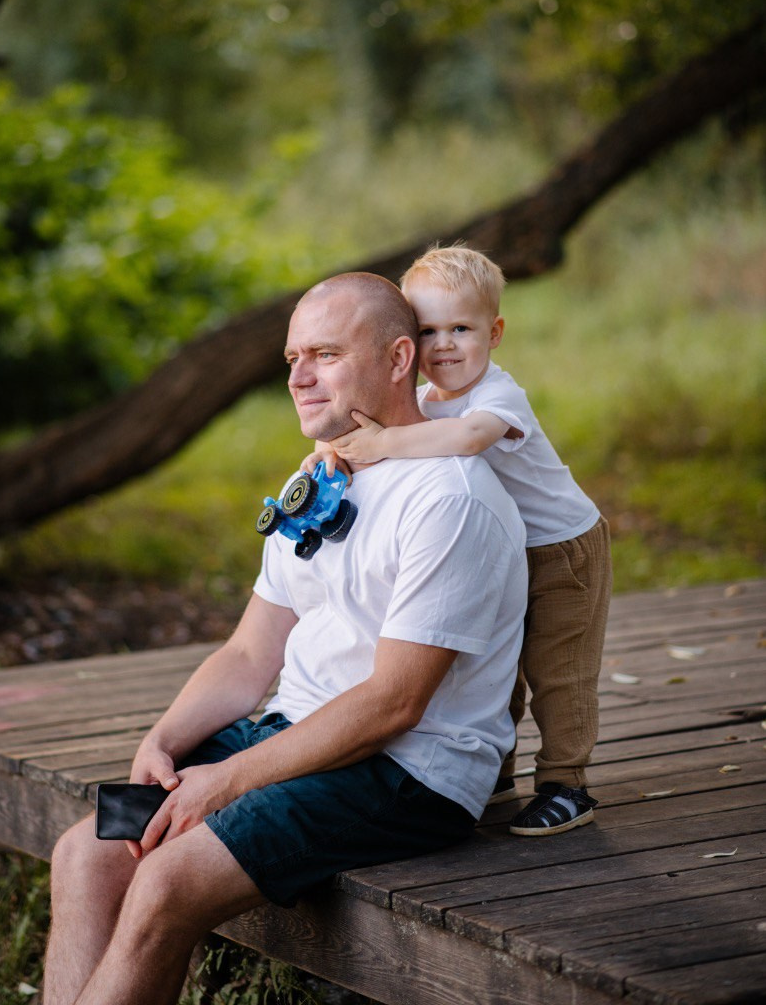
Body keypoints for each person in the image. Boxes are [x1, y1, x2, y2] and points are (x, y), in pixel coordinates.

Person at [43, 271, 527, 1005]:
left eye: (324, 354)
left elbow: (394, 704)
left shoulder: (448, 498)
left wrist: (228, 778)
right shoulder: (328, 474)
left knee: (167, 882)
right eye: (292, 357)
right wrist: (166, 739)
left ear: (398, 360)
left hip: (408, 771)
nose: (298, 377)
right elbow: (248, 653)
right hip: (294, 734)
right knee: (86, 854)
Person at [311, 246, 613, 837]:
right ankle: (492, 765)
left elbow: (470, 438)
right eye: (428, 331)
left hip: (560, 551)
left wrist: (385, 446)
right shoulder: (425, 402)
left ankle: (566, 781)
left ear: (494, 332)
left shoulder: (497, 397)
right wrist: (330, 453)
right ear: (406, 343)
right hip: (497, 547)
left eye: (462, 328)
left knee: (559, 670)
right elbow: (367, 432)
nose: (444, 344)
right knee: (493, 662)